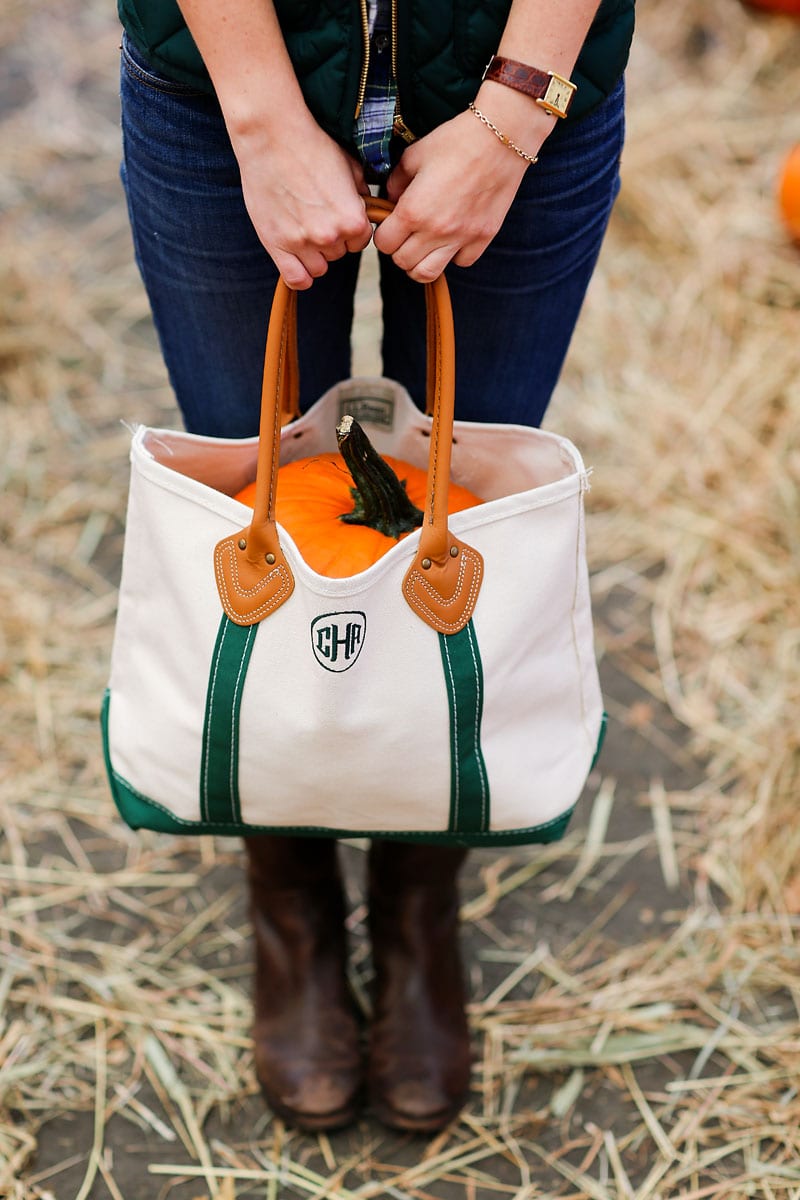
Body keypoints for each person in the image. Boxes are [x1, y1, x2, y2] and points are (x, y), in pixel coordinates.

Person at [117, 0, 634, 1133]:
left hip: (525, 88)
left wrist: (510, 113)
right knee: (253, 502)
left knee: (468, 504)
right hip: (219, 81)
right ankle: (289, 902)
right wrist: (259, 117)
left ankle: (417, 902)